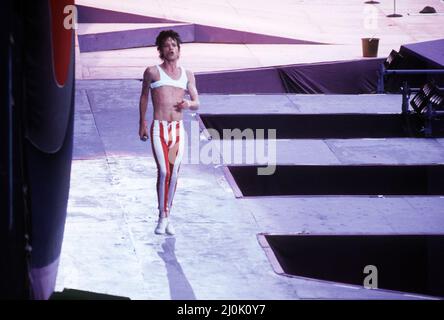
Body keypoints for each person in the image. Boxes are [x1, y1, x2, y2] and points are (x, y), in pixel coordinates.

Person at [138, 30, 199, 235]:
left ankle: (167, 215)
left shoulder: (188, 74)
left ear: (179, 50)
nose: (170, 48)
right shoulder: (152, 72)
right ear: (161, 50)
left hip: (178, 130)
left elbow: (197, 102)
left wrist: (188, 103)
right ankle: (162, 215)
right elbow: (144, 97)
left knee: (174, 174)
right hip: (159, 128)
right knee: (163, 171)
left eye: (174, 45)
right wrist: (142, 123)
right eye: (166, 45)